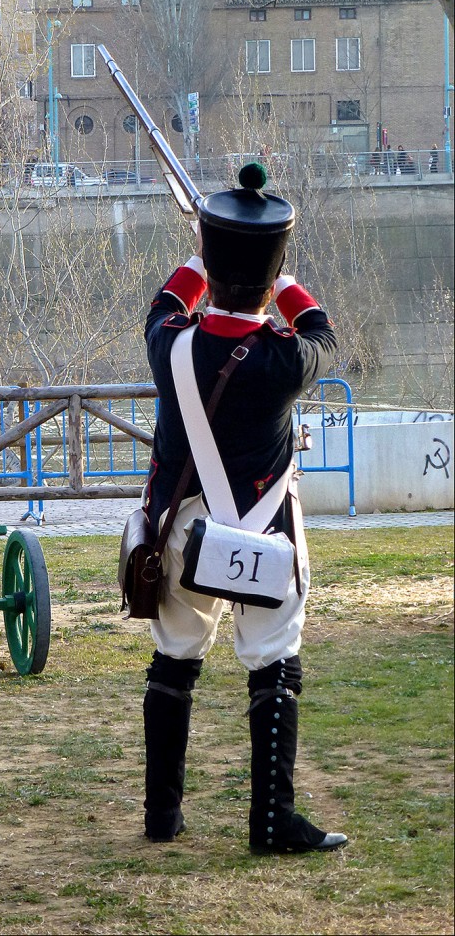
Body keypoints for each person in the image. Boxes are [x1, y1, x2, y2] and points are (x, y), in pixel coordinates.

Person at [141, 161, 348, 855]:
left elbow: (168, 299)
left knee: (174, 661)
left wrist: (200, 251)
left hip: (180, 532)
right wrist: (279, 275)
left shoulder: (169, 342)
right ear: (273, 266)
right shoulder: (286, 359)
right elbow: (319, 328)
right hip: (264, 536)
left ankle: (161, 817)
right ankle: (271, 823)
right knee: (273, 663)